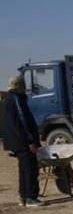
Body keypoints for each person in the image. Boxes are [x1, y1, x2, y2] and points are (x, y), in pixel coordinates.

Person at [3, 75, 43, 207]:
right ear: (19, 85)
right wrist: (30, 140)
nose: (25, 87)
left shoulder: (10, 99)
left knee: (24, 169)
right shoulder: (15, 99)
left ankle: (24, 196)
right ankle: (31, 197)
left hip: (17, 141)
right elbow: (22, 122)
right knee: (30, 169)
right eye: (23, 84)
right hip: (23, 142)